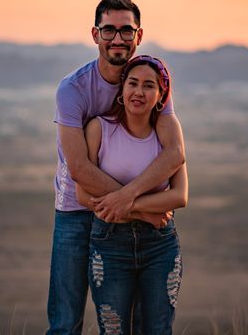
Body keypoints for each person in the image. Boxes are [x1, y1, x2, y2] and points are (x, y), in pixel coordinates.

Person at [47, 0, 186, 335]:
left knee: (138, 323)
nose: (118, 38)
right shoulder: (73, 89)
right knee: (66, 320)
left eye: (127, 30)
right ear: (95, 35)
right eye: (109, 30)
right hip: (76, 210)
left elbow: (173, 153)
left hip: (122, 218)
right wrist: (142, 208)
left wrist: (129, 203)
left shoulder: (150, 81)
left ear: (139, 36)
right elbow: (79, 168)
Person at [76, 55, 188, 335]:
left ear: (161, 95)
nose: (139, 92)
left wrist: (124, 200)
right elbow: (82, 194)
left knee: (158, 329)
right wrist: (145, 211)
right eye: (133, 83)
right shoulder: (99, 128)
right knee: (113, 330)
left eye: (149, 86)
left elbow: (179, 196)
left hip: (160, 245)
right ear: (122, 89)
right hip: (110, 244)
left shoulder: (168, 132)